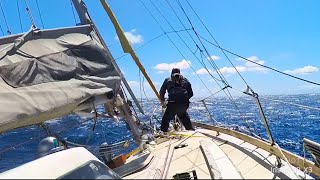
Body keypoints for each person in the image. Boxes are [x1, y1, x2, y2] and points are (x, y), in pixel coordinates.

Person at [159, 68, 194, 132]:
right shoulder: (185, 80)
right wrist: (183, 99)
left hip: (173, 105)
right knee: (183, 115)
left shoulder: (167, 80)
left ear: (171, 73)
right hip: (184, 104)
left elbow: (161, 92)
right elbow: (191, 94)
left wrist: (162, 101)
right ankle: (190, 130)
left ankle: (163, 132)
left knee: (165, 119)